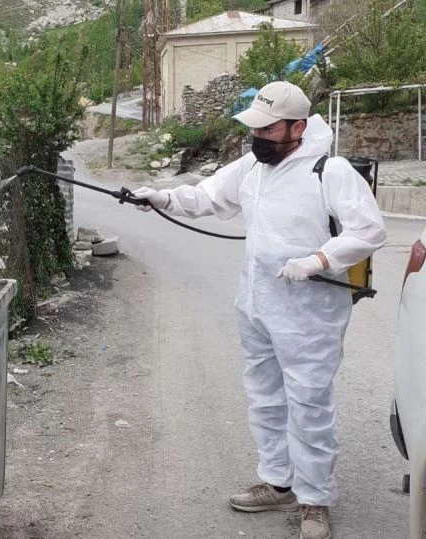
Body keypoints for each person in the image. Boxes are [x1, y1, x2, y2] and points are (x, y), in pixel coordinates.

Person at [132, 81, 386, 539]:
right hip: (257, 303)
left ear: (297, 127)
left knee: (308, 404)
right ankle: (278, 482)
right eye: (255, 128)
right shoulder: (253, 166)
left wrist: (318, 260)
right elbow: (207, 196)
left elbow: (369, 230)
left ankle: (314, 500)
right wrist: (162, 198)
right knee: (265, 398)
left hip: (310, 313)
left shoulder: (330, 171)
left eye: (268, 129)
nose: (258, 137)